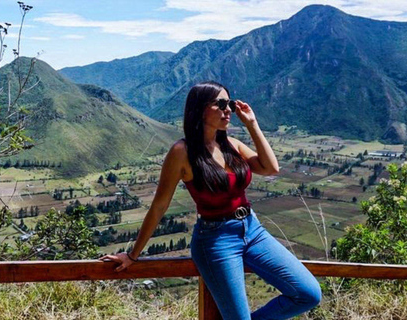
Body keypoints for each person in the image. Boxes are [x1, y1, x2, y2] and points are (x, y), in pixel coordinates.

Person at [100, 81, 322, 319]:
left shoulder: (231, 145)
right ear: (199, 109)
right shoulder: (182, 152)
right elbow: (159, 206)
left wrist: (252, 124)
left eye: (230, 104)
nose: (228, 110)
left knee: (308, 293)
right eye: (221, 104)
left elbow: (270, 167)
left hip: (253, 230)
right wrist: (133, 255)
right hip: (215, 240)